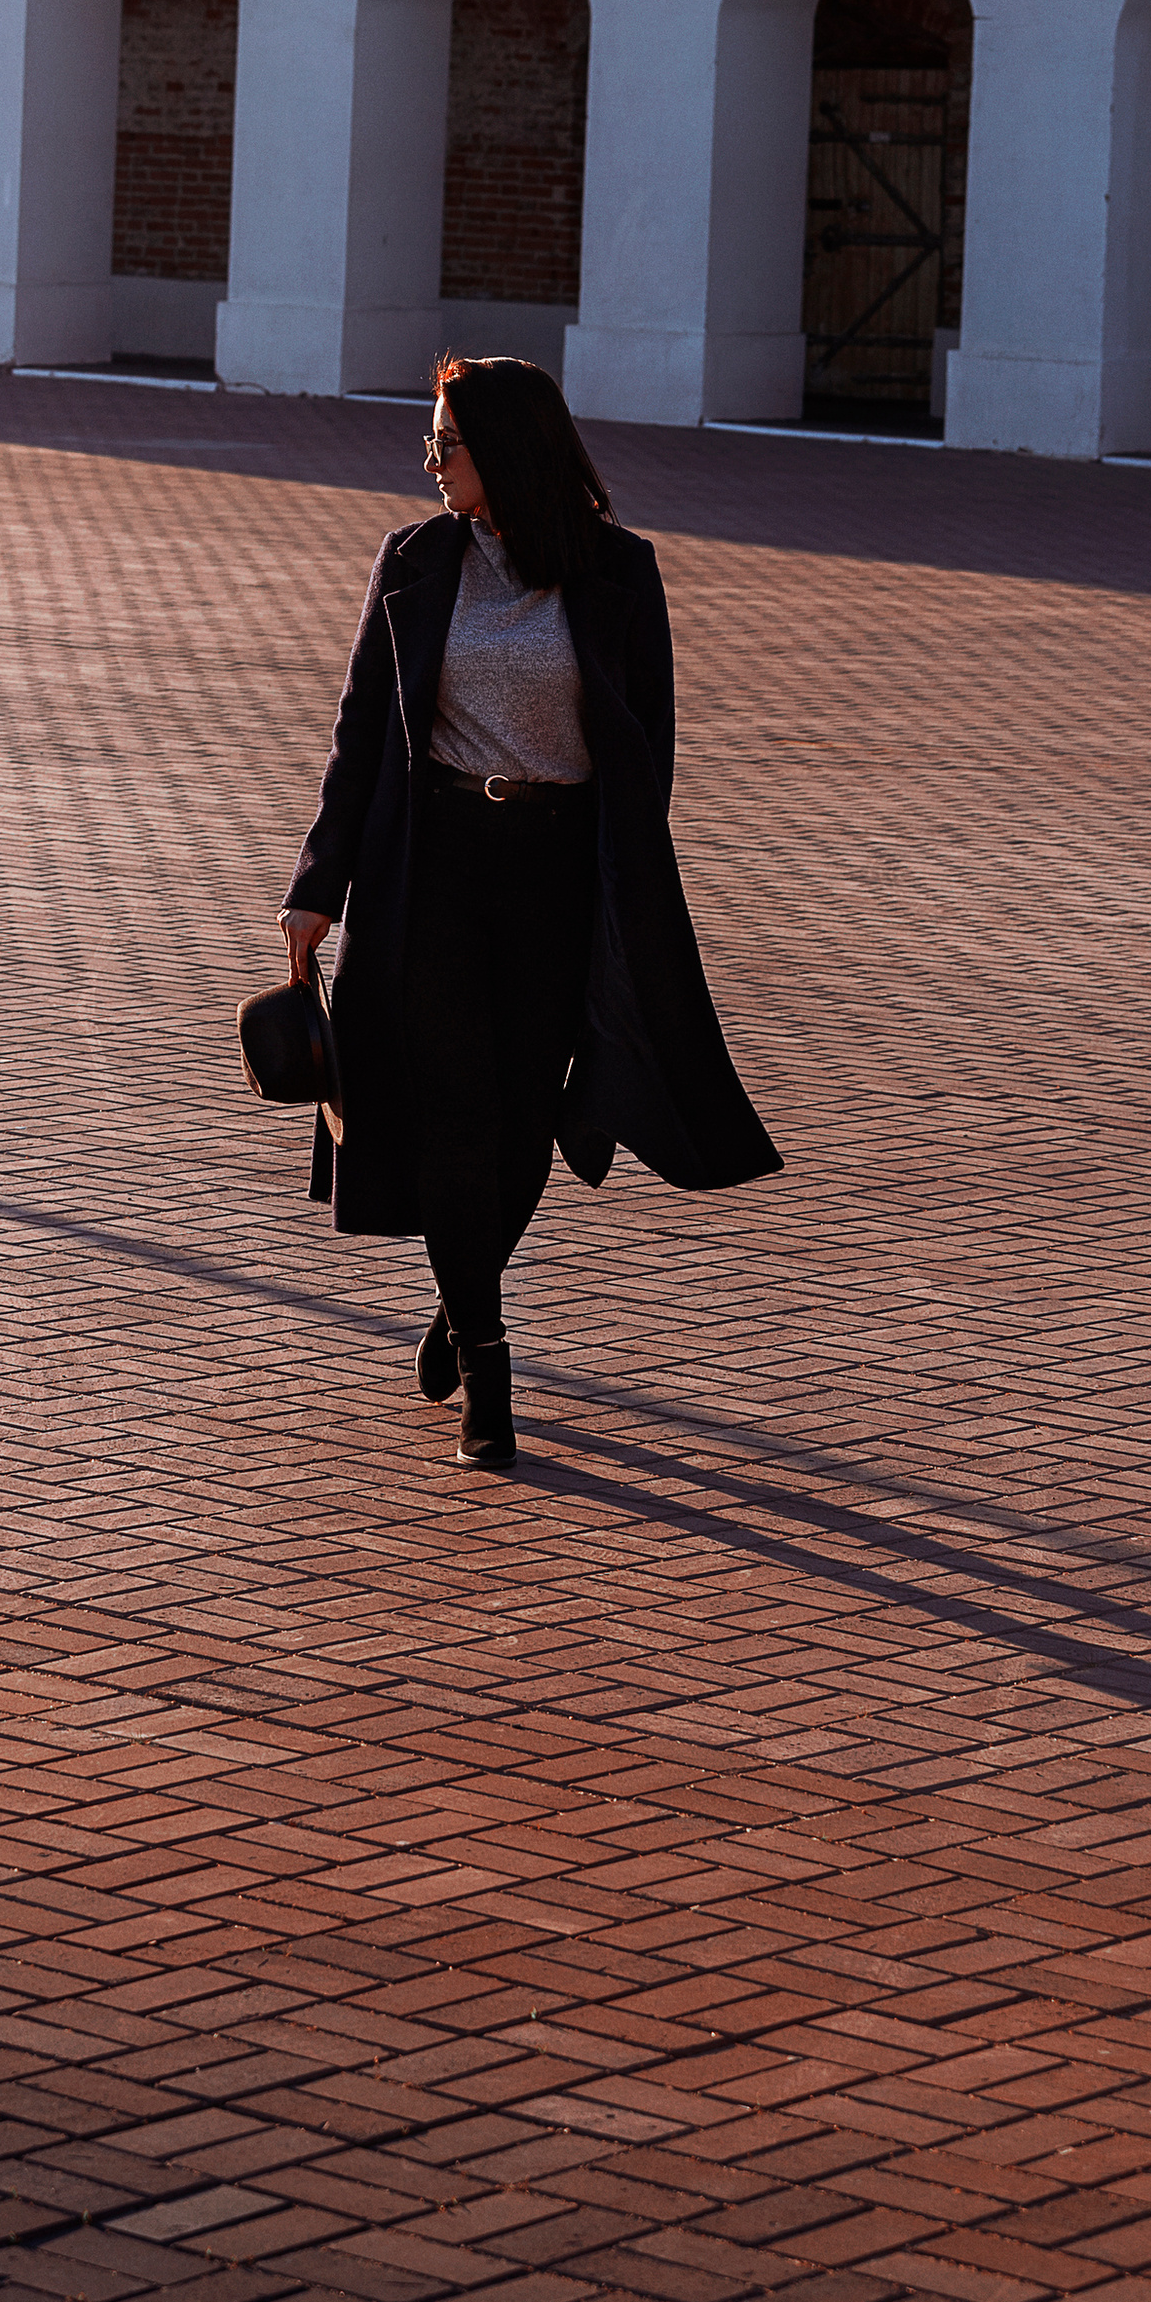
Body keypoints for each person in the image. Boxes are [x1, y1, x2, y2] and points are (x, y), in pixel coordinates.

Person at [281, 355, 780, 1472]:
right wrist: (317, 889)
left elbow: (644, 749)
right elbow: (360, 736)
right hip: (433, 870)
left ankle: (461, 1299)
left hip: (555, 875)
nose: (429, 461)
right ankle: (489, 1369)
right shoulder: (414, 563)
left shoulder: (616, 574)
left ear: (506, 451)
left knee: (523, 1123)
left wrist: (624, 892)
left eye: (445, 443)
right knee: (458, 1111)